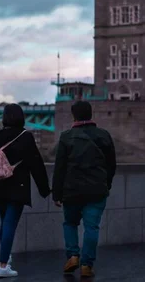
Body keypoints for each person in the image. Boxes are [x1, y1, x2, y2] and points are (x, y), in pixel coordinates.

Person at [0, 103, 51, 278]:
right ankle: (2, 265)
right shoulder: (25, 136)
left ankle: (6, 258)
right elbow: (36, 164)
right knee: (10, 223)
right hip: (18, 187)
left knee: (4, 222)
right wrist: (44, 189)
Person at [52, 100, 116, 278]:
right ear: (91, 114)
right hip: (96, 190)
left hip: (72, 190)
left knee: (70, 223)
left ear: (74, 115)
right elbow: (112, 165)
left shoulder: (66, 137)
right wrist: (106, 184)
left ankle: (73, 255)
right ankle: (87, 264)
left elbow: (60, 168)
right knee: (92, 227)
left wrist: (56, 193)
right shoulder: (104, 135)